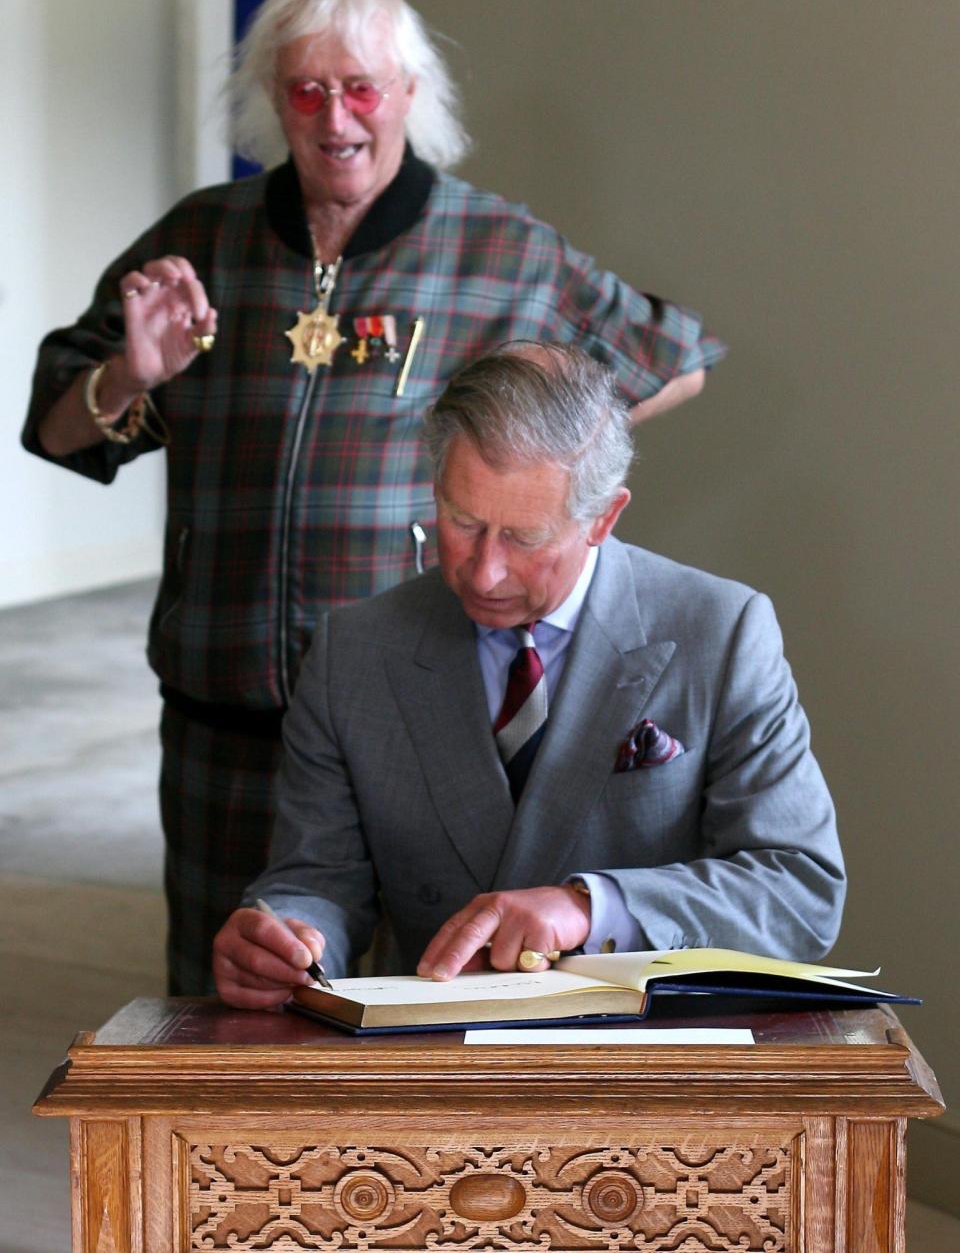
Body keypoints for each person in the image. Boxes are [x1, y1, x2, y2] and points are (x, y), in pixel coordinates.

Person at [22, 0, 725, 995]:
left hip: (415, 725)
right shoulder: (200, 239)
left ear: (408, 96)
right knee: (235, 1000)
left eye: (360, 87)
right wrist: (135, 372)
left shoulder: (498, 247)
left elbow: (677, 357)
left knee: (418, 1012)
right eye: (305, 90)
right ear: (275, 102)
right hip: (226, 717)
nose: (334, 116)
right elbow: (55, 430)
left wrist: (529, 436)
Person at [213, 344, 844, 1009]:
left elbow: (799, 891)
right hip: (432, 1060)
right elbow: (319, 880)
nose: (483, 572)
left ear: (605, 517)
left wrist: (591, 908)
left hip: (651, 1058)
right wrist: (288, 938)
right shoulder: (355, 650)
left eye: (523, 538)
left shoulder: (721, 631)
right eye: (462, 522)